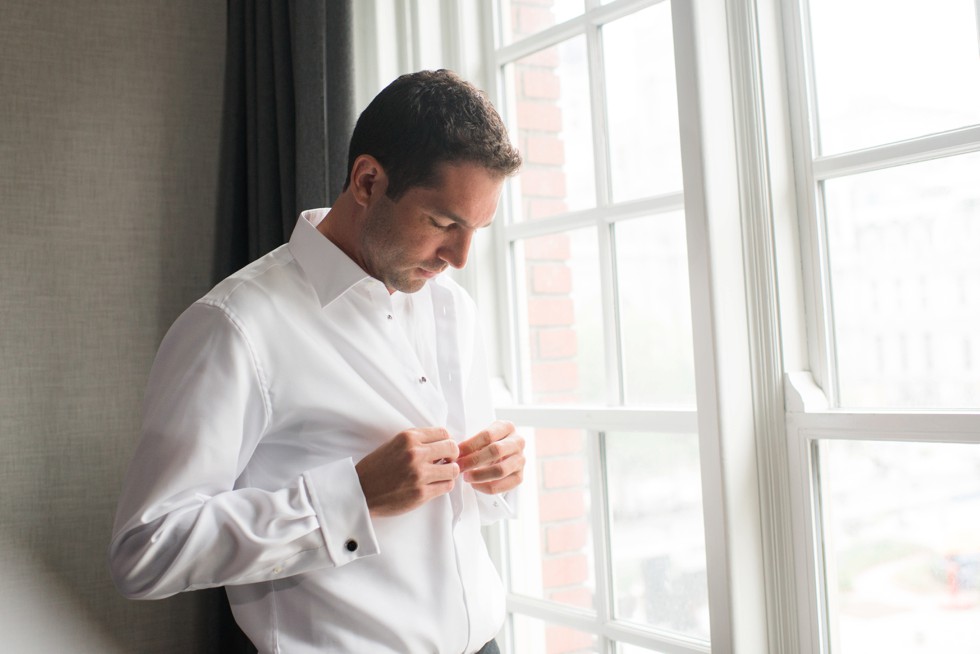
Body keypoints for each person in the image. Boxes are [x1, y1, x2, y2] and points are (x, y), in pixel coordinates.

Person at [109, 69, 525, 654]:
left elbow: (455, 505)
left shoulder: (451, 307)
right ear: (367, 180)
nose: (459, 257)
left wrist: (494, 475)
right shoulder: (235, 325)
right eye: (443, 223)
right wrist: (351, 498)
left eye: (477, 229)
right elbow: (146, 552)